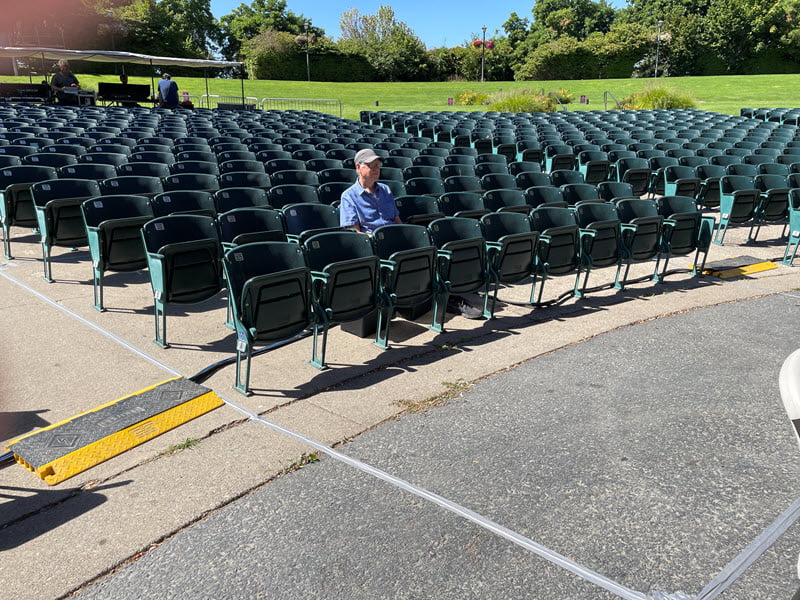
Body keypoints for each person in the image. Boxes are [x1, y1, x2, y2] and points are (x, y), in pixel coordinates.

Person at [339, 148, 482, 319]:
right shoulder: (349, 196)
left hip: (397, 236)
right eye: (371, 166)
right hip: (375, 244)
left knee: (433, 251)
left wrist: (409, 236)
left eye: (377, 166)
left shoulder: (384, 190)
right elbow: (354, 233)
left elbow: (396, 219)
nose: (376, 170)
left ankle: (450, 297)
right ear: (358, 167)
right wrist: (375, 241)